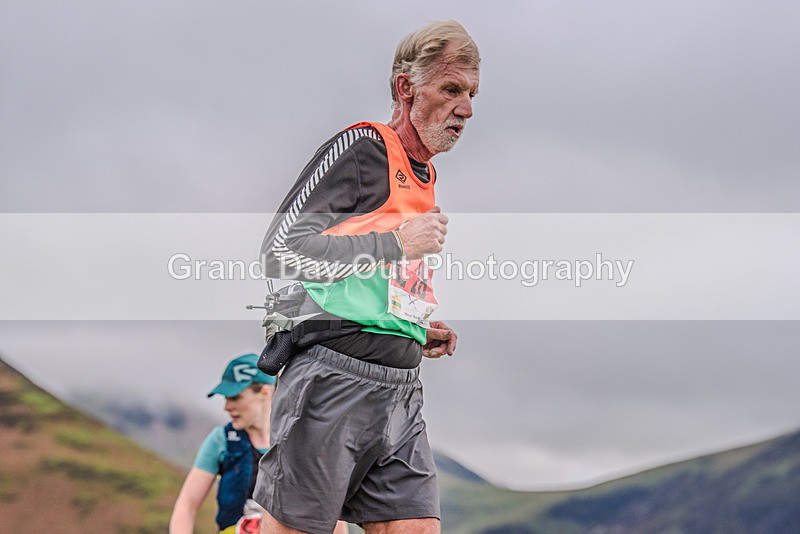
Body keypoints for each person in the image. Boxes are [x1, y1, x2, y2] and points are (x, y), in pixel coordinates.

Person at [254, 20, 479, 534]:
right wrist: (399, 243)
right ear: (405, 87)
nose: (466, 109)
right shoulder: (363, 148)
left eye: (470, 94)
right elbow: (281, 250)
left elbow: (366, 279)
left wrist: (413, 325)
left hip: (400, 388)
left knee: (416, 527)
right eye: (451, 89)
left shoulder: (425, 176)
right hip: (332, 377)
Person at [169, 354, 349, 534]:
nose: (226, 407)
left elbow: (330, 510)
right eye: (225, 399)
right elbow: (186, 506)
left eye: (235, 397)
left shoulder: (301, 441)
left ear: (264, 392)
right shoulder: (221, 440)